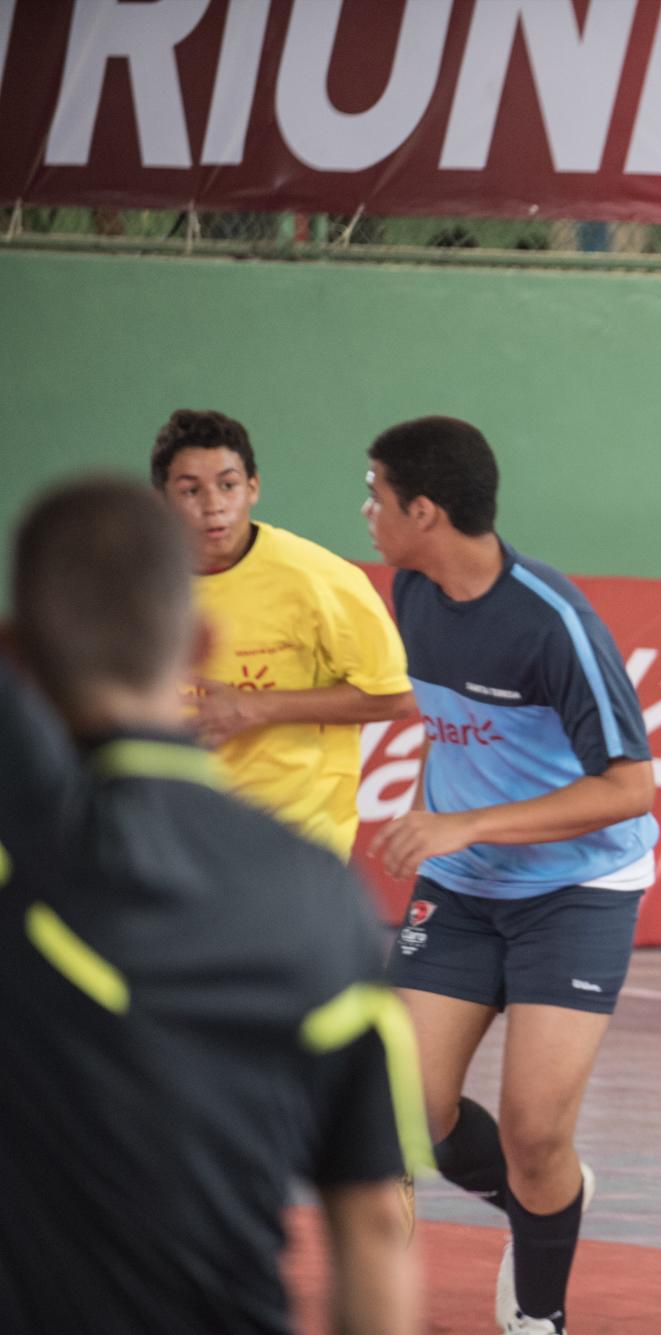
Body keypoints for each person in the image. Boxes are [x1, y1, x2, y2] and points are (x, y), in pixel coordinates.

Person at [0, 477, 425, 1333]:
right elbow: (376, 1223)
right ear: (199, 641)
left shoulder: (30, 859)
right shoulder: (321, 893)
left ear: (17, 649)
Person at [363, 417, 658, 1335]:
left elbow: (631, 785)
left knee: (537, 1131)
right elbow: (458, 728)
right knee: (409, 1108)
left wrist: (467, 822)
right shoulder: (409, 588)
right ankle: (542, 1205)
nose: (366, 512)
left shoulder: (553, 622)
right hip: (460, 889)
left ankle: (540, 1313)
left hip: (577, 892)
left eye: (375, 495)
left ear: (426, 510)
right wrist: (444, 824)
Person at [153, 408, 414, 858]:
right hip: (179, 840)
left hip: (296, 843)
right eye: (191, 490)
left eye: (228, 484)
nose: (214, 504)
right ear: (162, 499)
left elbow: (397, 696)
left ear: (253, 487)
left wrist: (256, 707)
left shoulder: (320, 579)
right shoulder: (139, 586)